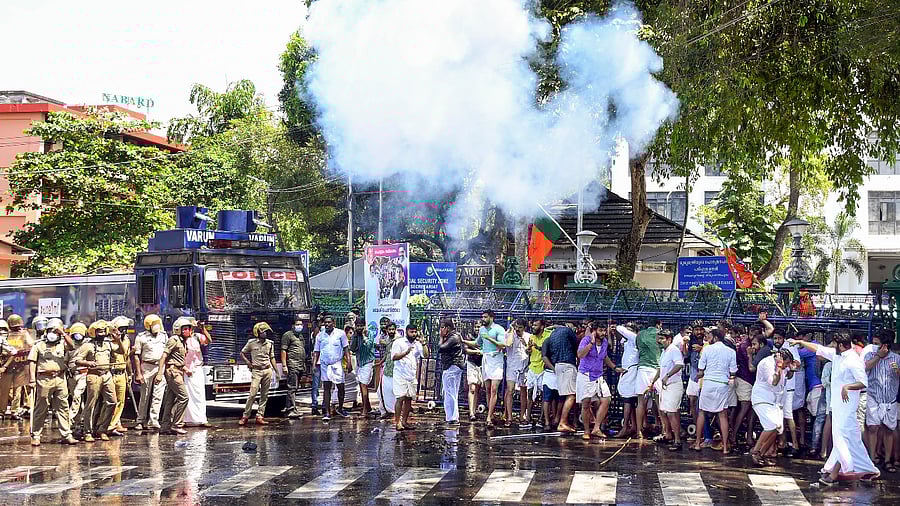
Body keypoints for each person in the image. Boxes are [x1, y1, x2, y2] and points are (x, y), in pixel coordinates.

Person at [789, 334, 880, 485]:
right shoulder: (837, 355)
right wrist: (799, 341)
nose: (831, 345)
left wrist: (848, 386)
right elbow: (818, 348)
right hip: (837, 406)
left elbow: (863, 382)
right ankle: (864, 469)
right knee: (847, 439)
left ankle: (836, 474)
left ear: (841, 345)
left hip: (847, 407)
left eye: (834, 343)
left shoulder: (853, 360)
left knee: (842, 439)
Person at [27, 324, 78, 446]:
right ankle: (36, 435)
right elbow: (32, 362)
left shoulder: (62, 344)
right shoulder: (39, 345)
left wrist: (63, 333)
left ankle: (66, 434)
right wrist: (32, 380)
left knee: (63, 407)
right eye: (51, 330)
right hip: (44, 379)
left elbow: (72, 346)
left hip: (60, 378)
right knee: (41, 407)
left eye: (55, 331)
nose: (53, 333)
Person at [71, 321, 122, 441]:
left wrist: (118, 340)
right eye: (99, 331)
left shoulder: (108, 344)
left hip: (107, 375)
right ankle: (88, 431)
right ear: (94, 332)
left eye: (104, 331)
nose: (102, 333)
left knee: (112, 402)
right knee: (91, 404)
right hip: (94, 376)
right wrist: (87, 363)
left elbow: (121, 351)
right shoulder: (88, 345)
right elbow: (77, 360)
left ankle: (102, 429)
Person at [691, 329, 737, 454]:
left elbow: (701, 369)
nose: (707, 339)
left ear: (716, 338)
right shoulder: (731, 352)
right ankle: (726, 447)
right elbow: (733, 371)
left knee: (702, 413)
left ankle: (697, 443)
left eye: (709, 336)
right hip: (722, 384)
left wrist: (700, 374)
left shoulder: (707, 350)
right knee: (723, 415)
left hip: (708, 383)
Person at [863, 330, 900, 472]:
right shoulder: (870, 355)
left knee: (888, 429)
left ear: (885, 344)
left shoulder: (896, 358)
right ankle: (872, 459)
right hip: (874, 396)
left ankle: (887, 461)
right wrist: (879, 356)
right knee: (873, 427)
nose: (874, 346)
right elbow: (865, 368)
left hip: (890, 398)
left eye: (877, 344)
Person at [749, 349, 793, 467]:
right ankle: (755, 451)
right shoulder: (766, 363)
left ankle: (761, 454)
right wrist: (779, 367)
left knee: (778, 428)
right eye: (786, 363)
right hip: (762, 399)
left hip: (775, 402)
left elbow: (789, 374)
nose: (786, 366)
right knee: (770, 425)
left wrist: (792, 368)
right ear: (780, 360)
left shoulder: (783, 366)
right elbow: (773, 382)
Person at [576, 321, 617, 442]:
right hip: (586, 374)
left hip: (598, 375)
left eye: (604, 330)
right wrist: (590, 344)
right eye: (601, 330)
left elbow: (604, 357)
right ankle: (586, 430)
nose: (603, 333)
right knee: (586, 403)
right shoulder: (586, 340)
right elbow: (580, 355)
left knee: (606, 399)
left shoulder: (604, 342)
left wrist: (614, 367)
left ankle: (596, 428)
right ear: (594, 331)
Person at [132, 315, 168, 431]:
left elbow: (165, 353)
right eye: (154, 324)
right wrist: (138, 373)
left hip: (160, 367)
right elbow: (137, 356)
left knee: (158, 395)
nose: (157, 326)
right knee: (145, 395)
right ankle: (140, 420)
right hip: (146, 367)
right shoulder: (141, 337)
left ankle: (154, 420)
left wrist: (162, 371)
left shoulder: (164, 336)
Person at [157, 317, 192, 435]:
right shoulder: (174, 340)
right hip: (173, 372)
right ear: (179, 330)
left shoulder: (183, 341)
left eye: (189, 328)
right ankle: (177, 424)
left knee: (170, 401)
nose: (189, 331)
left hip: (179, 371)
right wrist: (159, 373)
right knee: (184, 397)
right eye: (186, 329)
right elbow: (163, 356)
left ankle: (165, 426)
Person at [651, 329, 684, 451]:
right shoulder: (664, 352)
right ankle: (668, 434)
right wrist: (653, 381)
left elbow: (679, 364)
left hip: (673, 385)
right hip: (665, 386)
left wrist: (668, 376)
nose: (659, 341)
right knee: (664, 411)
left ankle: (677, 441)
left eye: (662, 339)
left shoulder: (674, 350)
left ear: (669, 339)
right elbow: (660, 368)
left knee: (671, 412)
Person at [312, 316, 351, 421]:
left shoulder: (341, 333)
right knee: (326, 388)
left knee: (341, 387)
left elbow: (346, 349)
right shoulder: (320, 336)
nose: (327, 324)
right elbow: (316, 351)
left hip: (337, 364)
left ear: (334, 323)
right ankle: (327, 412)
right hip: (325, 364)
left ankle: (341, 408)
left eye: (329, 322)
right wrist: (314, 364)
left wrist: (349, 362)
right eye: (325, 323)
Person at [542, 324, 579, 433]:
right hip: (567, 365)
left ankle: (558, 420)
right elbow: (576, 346)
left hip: (558, 366)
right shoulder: (568, 332)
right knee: (571, 395)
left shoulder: (552, 336)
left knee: (561, 396)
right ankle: (562, 422)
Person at [239, 322, 278, 425]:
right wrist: (248, 362)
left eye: (266, 332)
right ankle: (245, 416)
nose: (265, 333)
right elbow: (242, 353)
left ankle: (260, 416)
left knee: (264, 395)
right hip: (256, 371)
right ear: (258, 333)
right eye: (263, 331)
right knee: (252, 394)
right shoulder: (251, 343)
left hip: (267, 370)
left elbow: (272, 357)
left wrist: (276, 371)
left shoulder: (270, 343)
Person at [391, 324, 427, 430]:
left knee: (408, 399)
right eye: (411, 332)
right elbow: (394, 357)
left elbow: (425, 355)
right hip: (400, 374)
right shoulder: (399, 342)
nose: (414, 334)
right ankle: (397, 422)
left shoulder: (418, 344)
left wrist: (423, 343)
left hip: (411, 375)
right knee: (400, 398)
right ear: (406, 332)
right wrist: (405, 352)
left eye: (415, 332)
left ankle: (405, 422)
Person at [0, 314, 34, 419]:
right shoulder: (6, 335)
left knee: (17, 390)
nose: (17, 328)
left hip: (20, 364)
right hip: (8, 364)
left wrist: (25, 334)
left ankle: (14, 411)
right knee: (4, 390)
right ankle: (2, 411)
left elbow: (31, 344)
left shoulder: (24, 334)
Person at [477, 310, 506, 427]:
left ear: (491, 317)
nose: (483, 319)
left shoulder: (499, 329)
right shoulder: (482, 330)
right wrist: (464, 342)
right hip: (486, 359)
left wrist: (489, 338)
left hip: (496, 359)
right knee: (488, 388)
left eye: (485, 317)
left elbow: (502, 345)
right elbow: (477, 342)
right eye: (482, 317)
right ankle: (491, 413)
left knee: (494, 389)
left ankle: (489, 417)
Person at [635, 320, 662, 441]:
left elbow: (638, 347)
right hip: (657, 368)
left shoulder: (640, 334)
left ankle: (639, 431)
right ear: (658, 324)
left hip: (643, 368)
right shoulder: (660, 334)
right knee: (659, 401)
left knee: (641, 402)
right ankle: (663, 428)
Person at [107, 316, 133, 434]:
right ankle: (109, 424)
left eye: (125, 329)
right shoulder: (108, 341)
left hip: (122, 373)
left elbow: (126, 357)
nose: (123, 331)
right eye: (121, 328)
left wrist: (130, 372)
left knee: (121, 401)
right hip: (111, 373)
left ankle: (116, 423)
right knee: (110, 400)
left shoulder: (126, 340)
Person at [523, 319, 550, 428]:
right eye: (533, 325)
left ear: (542, 327)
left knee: (544, 396)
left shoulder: (548, 336)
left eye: (535, 325)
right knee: (530, 394)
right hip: (532, 368)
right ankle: (528, 418)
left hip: (543, 369)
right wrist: (528, 348)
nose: (533, 327)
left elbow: (546, 350)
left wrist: (537, 346)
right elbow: (528, 352)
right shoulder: (531, 337)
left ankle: (541, 419)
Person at [614, 322, 640, 438]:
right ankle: (633, 426)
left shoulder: (635, 338)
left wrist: (617, 327)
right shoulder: (627, 341)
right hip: (627, 370)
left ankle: (625, 427)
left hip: (631, 371)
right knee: (630, 400)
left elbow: (622, 331)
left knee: (628, 399)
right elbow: (620, 337)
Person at [504, 319, 531, 426]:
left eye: (520, 327)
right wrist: (511, 329)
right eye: (516, 326)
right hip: (511, 366)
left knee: (523, 392)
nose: (518, 329)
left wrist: (526, 345)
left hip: (524, 367)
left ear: (524, 328)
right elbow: (508, 344)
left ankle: (522, 415)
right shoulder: (509, 334)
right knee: (510, 390)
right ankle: (509, 417)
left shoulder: (529, 336)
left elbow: (529, 351)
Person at [438, 318, 465, 426]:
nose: (440, 330)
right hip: (451, 366)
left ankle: (453, 417)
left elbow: (441, 348)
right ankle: (451, 417)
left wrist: (440, 338)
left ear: (447, 328)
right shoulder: (451, 336)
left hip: (452, 366)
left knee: (450, 392)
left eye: (442, 327)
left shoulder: (454, 337)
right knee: (449, 392)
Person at [184, 321, 211, 427]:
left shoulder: (197, 337)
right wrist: (185, 369)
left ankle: (202, 419)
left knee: (199, 394)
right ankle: (187, 420)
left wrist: (203, 329)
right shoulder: (180, 340)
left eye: (188, 328)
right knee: (187, 395)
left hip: (197, 369)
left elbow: (209, 340)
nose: (186, 331)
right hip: (186, 370)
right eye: (184, 328)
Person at [281, 318, 307, 418]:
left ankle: (293, 408)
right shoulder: (287, 335)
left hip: (300, 365)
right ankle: (290, 410)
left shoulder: (300, 336)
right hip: (292, 365)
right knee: (291, 387)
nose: (299, 326)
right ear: (293, 325)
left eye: (301, 324)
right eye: (297, 324)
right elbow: (283, 351)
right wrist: (284, 365)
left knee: (295, 388)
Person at [65, 322, 88, 436]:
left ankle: (70, 418)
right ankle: (80, 421)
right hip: (72, 375)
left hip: (83, 375)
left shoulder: (88, 345)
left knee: (78, 395)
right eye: (75, 334)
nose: (77, 336)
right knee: (76, 398)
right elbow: (65, 361)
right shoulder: (69, 347)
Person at [351, 320, 376, 418]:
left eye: (361, 326)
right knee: (361, 385)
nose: (360, 328)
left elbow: (369, 346)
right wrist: (356, 337)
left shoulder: (369, 333)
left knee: (363, 385)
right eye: (358, 326)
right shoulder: (355, 335)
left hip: (368, 362)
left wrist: (364, 336)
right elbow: (352, 348)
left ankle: (365, 410)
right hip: (359, 362)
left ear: (365, 326)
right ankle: (368, 407)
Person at [461, 330, 484, 422]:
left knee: (478, 388)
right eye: (476, 327)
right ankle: (471, 412)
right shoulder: (469, 336)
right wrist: (476, 352)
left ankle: (474, 411)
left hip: (482, 363)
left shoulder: (484, 336)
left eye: (479, 327)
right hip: (471, 363)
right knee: (472, 388)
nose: (477, 329)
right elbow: (465, 350)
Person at [378, 322, 399, 419]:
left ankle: (394, 412)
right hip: (387, 369)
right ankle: (385, 411)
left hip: (396, 370)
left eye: (392, 329)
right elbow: (387, 354)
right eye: (389, 330)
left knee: (393, 392)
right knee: (381, 391)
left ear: (395, 329)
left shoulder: (399, 340)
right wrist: (379, 363)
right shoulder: (387, 339)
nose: (391, 331)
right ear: (387, 330)